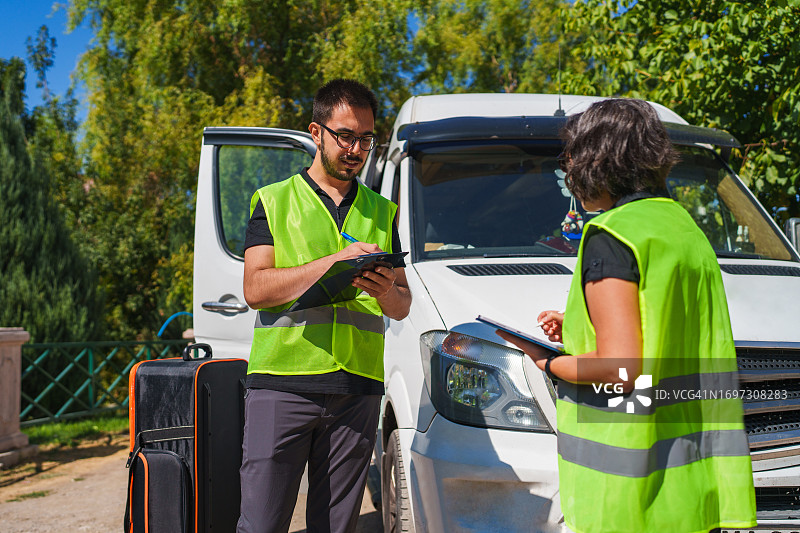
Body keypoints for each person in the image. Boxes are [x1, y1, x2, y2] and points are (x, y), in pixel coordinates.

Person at [498, 99, 757, 533]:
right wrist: (578, 325)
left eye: (572, 156)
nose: (569, 170)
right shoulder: (682, 227)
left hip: (626, 487)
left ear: (598, 159)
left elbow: (620, 370)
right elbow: (662, 321)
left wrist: (547, 361)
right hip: (690, 481)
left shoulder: (611, 235)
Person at [237, 79, 412, 533]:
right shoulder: (272, 201)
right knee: (261, 524)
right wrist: (331, 262)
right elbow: (256, 289)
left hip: (357, 388)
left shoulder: (384, 212)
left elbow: (402, 304)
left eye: (367, 139)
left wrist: (383, 290)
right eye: (346, 136)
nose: (356, 149)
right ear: (316, 132)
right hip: (282, 384)